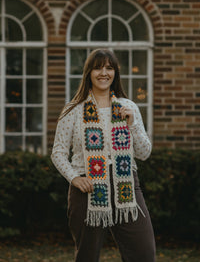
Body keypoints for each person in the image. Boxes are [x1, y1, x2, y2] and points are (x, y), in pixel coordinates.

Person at [51, 48, 156, 262]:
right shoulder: (73, 110)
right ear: (88, 72)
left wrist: (132, 125)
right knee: (87, 256)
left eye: (109, 68)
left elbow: (144, 154)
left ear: (116, 73)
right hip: (87, 188)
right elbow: (58, 153)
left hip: (126, 185)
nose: (103, 73)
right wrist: (74, 178)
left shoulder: (129, 107)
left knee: (144, 254)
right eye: (98, 68)